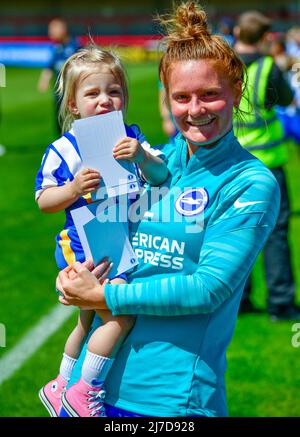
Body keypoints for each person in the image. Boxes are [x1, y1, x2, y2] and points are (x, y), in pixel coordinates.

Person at [56, 1, 280, 417]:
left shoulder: (250, 183)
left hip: (170, 400)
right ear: (168, 100)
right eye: (182, 97)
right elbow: (104, 231)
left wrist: (105, 294)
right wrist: (76, 272)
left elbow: (208, 288)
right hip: (91, 389)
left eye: (210, 95)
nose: (195, 110)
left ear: (236, 91)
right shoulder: (153, 160)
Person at [35, 46, 168, 417]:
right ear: (73, 104)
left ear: (124, 97)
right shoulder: (63, 150)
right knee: (121, 314)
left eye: (113, 92)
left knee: (89, 316)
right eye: (92, 94)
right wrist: (73, 190)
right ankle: (85, 391)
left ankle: (61, 383)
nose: (105, 100)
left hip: (118, 243)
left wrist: (142, 156)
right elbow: (44, 201)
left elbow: (161, 177)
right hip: (82, 246)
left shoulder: (130, 136)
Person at [233, 11, 300, 321]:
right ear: (264, 39)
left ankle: (239, 299)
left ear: (236, 32)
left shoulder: (224, 65)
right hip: (268, 164)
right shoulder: (268, 67)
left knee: (236, 233)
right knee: (275, 232)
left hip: (233, 163)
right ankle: (281, 301)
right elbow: (286, 99)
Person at [37, 17, 80, 133]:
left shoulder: (75, 46)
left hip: (72, 93)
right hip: (59, 93)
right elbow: (49, 67)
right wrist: (44, 81)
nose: (50, 32)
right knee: (59, 123)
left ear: (63, 29)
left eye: (53, 29)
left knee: (74, 122)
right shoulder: (56, 48)